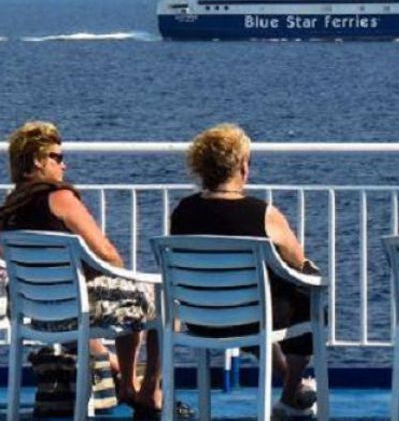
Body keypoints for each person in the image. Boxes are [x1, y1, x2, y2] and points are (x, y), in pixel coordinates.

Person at [0, 121, 164, 416]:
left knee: (131, 299)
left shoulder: (8, 211)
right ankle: (143, 390)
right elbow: (109, 256)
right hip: (77, 310)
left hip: (34, 313)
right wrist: (104, 271)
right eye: (57, 157)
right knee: (157, 299)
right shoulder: (60, 198)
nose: (64, 165)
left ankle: (125, 380)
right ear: (37, 160)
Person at [169, 123, 319, 417]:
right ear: (242, 166)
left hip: (199, 319)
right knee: (309, 297)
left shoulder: (183, 212)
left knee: (258, 305)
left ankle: (294, 388)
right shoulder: (263, 214)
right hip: (251, 320)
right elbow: (299, 263)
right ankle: (290, 396)